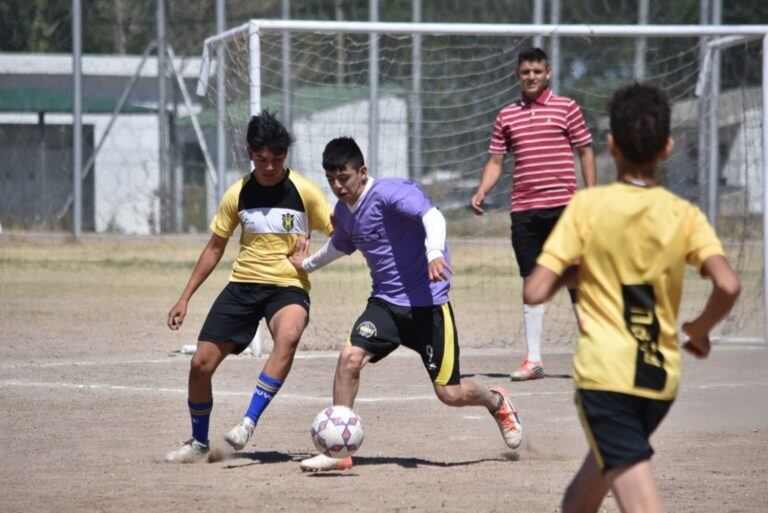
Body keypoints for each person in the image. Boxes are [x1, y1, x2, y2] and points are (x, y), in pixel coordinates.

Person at [523, 83, 740, 513]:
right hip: (658, 381)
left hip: (606, 380)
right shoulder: (685, 215)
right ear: (668, 148)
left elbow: (534, 290)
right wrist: (698, 329)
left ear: (611, 145)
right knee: (582, 496)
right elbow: (728, 285)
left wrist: (574, 273)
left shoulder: (588, 206)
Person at [290, 136, 523, 472]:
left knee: (450, 394)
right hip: (385, 304)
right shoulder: (344, 212)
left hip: (428, 306)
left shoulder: (390, 193)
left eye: (344, 177)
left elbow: (433, 218)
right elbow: (340, 247)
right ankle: (338, 452)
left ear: (363, 172)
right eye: (331, 179)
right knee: (349, 358)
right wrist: (306, 265)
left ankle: (496, 402)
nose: (338, 186)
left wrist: (433, 255)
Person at [164, 110, 333, 463]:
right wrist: (184, 297)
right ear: (249, 154)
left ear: (285, 156)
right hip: (242, 285)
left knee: (287, 337)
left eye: (277, 159)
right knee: (200, 364)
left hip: (288, 286)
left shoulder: (306, 193)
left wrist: (310, 260)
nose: (270, 166)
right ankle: (198, 442)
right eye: (262, 159)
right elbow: (214, 247)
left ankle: (247, 422)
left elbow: (344, 236)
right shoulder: (237, 193)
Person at [470, 47, 597, 381]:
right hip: (524, 211)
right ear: (517, 75)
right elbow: (496, 161)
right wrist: (482, 190)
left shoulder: (567, 108)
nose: (531, 77)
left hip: (564, 208)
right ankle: (534, 360)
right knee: (532, 282)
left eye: (537, 71)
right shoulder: (506, 116)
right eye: (525, 72)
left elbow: (585, 151)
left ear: (548, 73)